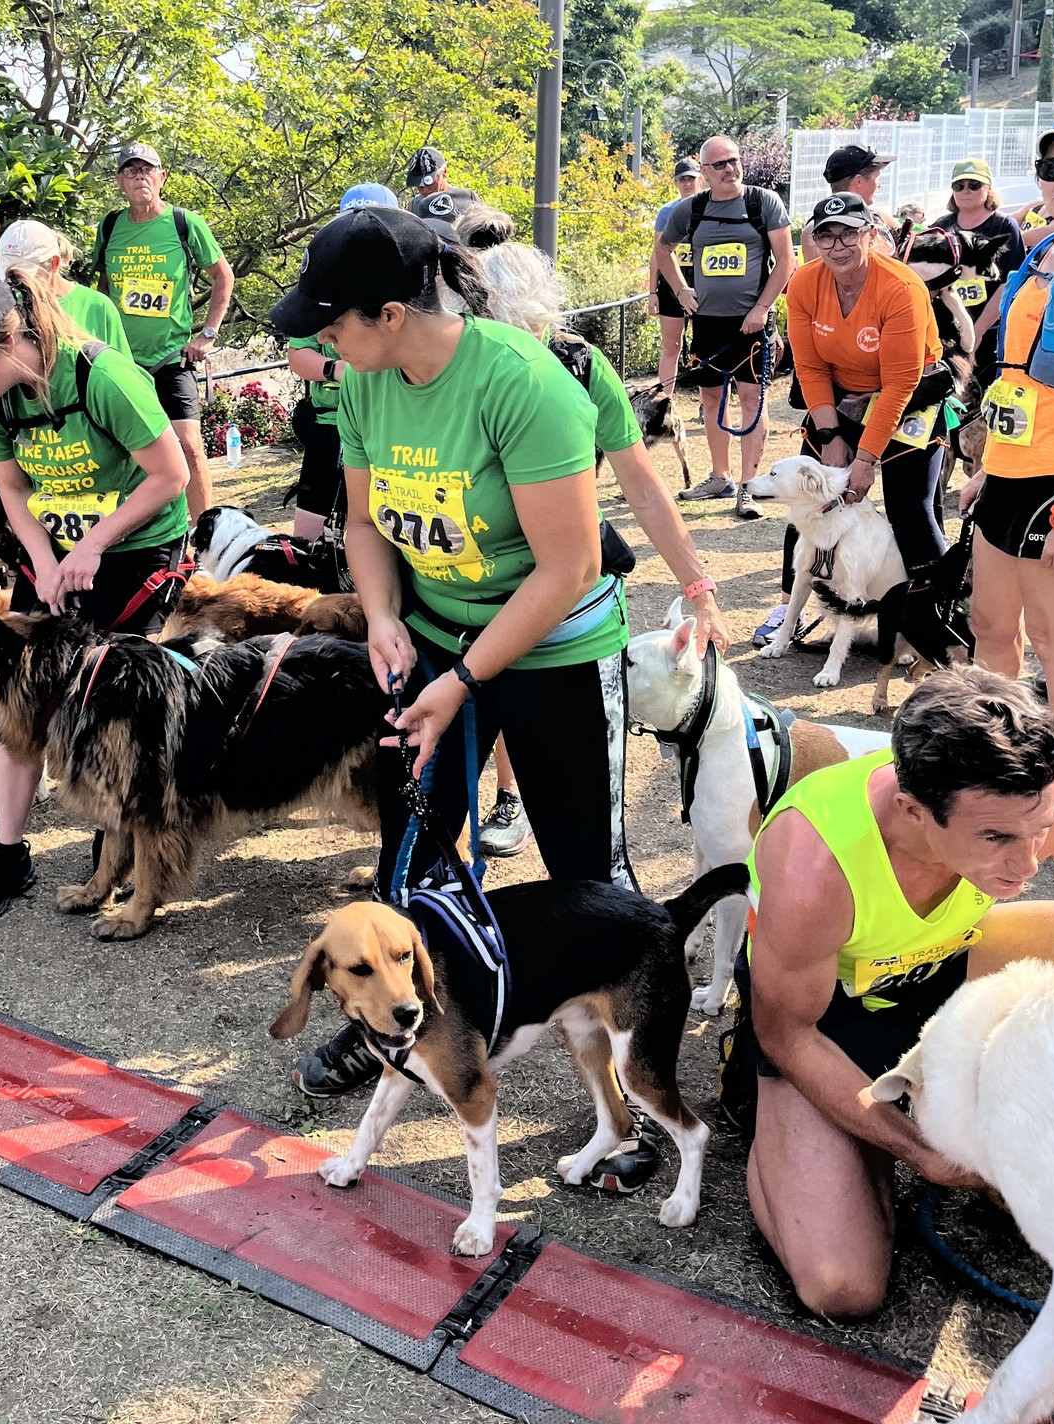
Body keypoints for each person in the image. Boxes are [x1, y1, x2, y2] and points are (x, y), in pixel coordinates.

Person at [268, 207, 727, 1097]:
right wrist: (386, 617)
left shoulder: (527, 382)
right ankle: (403, 1029)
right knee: (414, 849)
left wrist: (468, 679)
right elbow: (363, 523)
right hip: (435, 634)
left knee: (587, 873)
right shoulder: (362, 382)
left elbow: (569, 564)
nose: (320, 342)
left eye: (332, 322)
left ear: (391, 313)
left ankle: (626, 1085)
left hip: (555, 650)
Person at [733, 666, 1054, 1318]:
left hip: (948, 963)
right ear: (913, 810)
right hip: (832, 1019)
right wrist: (921, 1154)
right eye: (995, 838)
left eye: (1040, 828)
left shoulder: (1031, 794)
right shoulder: (813, 861)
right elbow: (788, 1034)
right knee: (842, 1287)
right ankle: (764, 1109)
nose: (1027, 867)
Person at [0, 273, 191, 925]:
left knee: (115, 699)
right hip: (56, 552)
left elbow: (171, 474)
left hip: (135, 549)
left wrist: (94, 544)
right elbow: (11, 490)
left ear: (6, 337)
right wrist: (44, 560)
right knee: (20, 699)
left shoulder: (103, 376)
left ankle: (121, 848)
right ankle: (8, 856)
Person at [473, 237, 728, 861]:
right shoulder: (449, 371)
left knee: (587, 824)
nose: (511, 344)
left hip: (570, 595)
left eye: (525, 329)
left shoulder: (579, 364)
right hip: (468, 591)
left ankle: (518, 800)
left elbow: (643, 486)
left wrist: (700, 591)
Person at [961, 114, 1054, 778]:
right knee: (991, 630)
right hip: (1009, 469)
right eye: (1051, 169)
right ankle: (1008, 767)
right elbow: (1015, 376)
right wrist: (985, 469)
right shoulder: (1041, 252)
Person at [755, 193, 949, 650]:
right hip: (840, 398)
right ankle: (792, 608)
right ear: (814, 240)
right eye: (826, 234)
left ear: (871, 235)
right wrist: (829, 436)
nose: (838, 244)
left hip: (908, 398)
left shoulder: (900, 288)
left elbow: (901, 385)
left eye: (849, 233)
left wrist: (864, 460)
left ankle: (936, 619)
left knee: (911, 510)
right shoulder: (803, 284)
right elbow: (811, 368)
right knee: (808, 500)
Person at [89, 143, 233, 524]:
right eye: (131, 170)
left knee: (189, 447)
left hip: (171, 357)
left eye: (147, 169)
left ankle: (206, 538)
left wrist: (208, 334)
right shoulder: (110, 226)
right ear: (120, 180)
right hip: (121, 361)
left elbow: (223, 276)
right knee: (126, 453)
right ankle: (146, 532)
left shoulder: (185, 223)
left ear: (161, 176)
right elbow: (102, 289)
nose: (139, 177)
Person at [654, 136, 795, 519]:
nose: (730, 168)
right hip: (707, 325)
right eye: (720, 164)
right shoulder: (691, 209)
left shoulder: (762, 202)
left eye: (734, 161)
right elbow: (662, 249)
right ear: (704, 172)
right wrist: (681, 290)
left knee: (752, 399)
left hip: (752, 323)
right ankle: (720, 476)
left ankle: (748, 487)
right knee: (712, 401)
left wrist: (763, 308)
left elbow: (786, 260)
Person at [284, 186, 400, 545]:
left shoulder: (407, 284)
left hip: (388, 427)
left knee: (377, 532)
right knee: (306, 536)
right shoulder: (321, 281)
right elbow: (298, 353)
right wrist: (338, 371)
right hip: (329, 421)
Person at [931, 158, 1025, 389]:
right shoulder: (941, 226)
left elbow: (1010, 283)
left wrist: (978, 330)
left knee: (989, 393)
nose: (965, 191)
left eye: (974, 185)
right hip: (947, 332)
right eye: (958, 185)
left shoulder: (1003, 226)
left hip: (991, 329)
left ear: (988, 188)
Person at [0, 219, 128, 354]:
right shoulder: (7, 304)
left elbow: (122, 370)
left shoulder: (96, 306)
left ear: (54, 263)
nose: (16, 284)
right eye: (9, 277)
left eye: (23, 277)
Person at [647, 158, 703, 390]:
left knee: (705, 347)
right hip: (671, 284)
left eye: (691, 178)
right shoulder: (667, 212)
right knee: (672, 345)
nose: (687, 184)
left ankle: (706, 399)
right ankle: (664, 401)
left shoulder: (713, 208)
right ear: (676, 183)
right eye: (682, 180)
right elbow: (657, 253)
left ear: (700, 179)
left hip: (704, 284)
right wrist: (652, 292)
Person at [799, 145, 899, 260]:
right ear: (859, 181)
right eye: (876, 178)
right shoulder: (816, 229)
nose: (879, 185)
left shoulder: (880, 216)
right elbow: (819, 276)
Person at [405, 145, 479, 224]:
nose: (425, 189)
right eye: (419, 185)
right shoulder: (414, 207)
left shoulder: (466, 200)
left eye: (429, 182)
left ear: (444, 172)